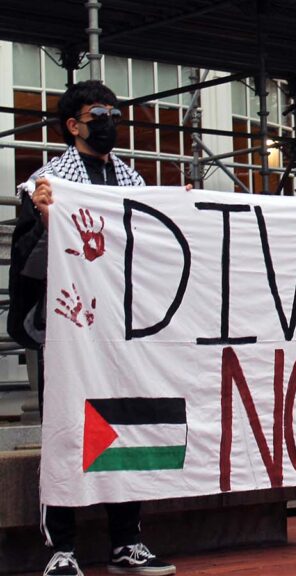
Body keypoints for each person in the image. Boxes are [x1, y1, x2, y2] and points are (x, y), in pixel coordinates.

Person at [8, 80, 175, 576]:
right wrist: (43, 220)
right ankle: (61, 548)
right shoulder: (46, 186)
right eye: (98, 112)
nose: (109, 120)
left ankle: (127, 540)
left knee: (124, 426)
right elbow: (26, 267)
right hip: (69, 332)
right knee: (67, 431)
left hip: (120, 329)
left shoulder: (133, 183)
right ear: (73, 125)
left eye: (115, 111)